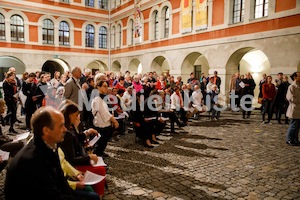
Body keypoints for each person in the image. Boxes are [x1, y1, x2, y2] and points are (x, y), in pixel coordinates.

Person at [5, 107, 84, 200]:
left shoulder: (50, 146)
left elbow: (62, 183)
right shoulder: (31, 161)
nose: (65, 129)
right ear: (46, 130)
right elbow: (52, 195)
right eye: (61, 126)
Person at [59, 102, 106, 197]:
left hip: (75, 162)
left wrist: (86, 133)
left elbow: (77, 139)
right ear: (70, 115)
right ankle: (98, 194)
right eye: (76, 115)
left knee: (100, 166)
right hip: (74, 166)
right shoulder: (67, 133)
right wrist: (89, 157)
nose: (78, 117)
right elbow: (70, 159)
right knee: (101, 170)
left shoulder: (70, 127)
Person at [92, 80, 119, 157]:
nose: (106, 88)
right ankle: (98, 155)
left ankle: (101, 152)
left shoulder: (105, 96)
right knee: (100, 141)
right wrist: (114, 121)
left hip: (107, 122)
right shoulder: (97, 98)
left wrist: (113, 116)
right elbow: (104, 113)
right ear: (98, 87)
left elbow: (110, 108)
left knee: (105, 140)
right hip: (101, 123)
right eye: (104, 86)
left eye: (107, 86)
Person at [286, 72, 300, 146]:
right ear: (295, 77)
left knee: (297, 126)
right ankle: (289, 139)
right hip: (294, 108)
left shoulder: (298, 86)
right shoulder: (292, 86)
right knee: (293, 125)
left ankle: (295, 139)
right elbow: (290, 97)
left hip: (298, 109)